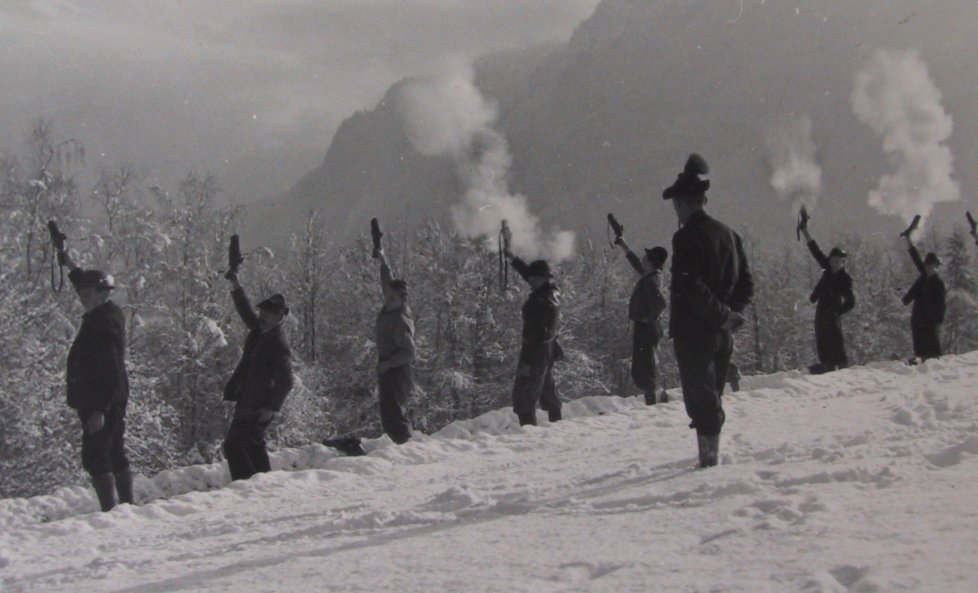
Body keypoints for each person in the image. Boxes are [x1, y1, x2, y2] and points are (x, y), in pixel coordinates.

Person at [662, 153, 753, 467]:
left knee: (701, 400)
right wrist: (732, 314)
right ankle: (710, 457)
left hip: (695, 331)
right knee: (712, 394)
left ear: (682, 203)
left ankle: (709, 463)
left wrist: (721, 315)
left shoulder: (685, 237)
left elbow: (690, 286)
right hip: (722, 334)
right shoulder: (729, 235)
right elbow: (746, 282)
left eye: (676, 204)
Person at [59, 250, 133, 512]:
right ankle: (126, 508)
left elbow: (111, 369)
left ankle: (112, 511)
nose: (82, 296)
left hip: (102, 399)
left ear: (102, 294)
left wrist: (100, 409)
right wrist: (70, 264)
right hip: (111, 396)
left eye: (87, 292)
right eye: (81, 292)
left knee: (96, 454)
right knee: (114, 450)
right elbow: (86, 283)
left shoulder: (103, 324)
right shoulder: (107, 313)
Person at [222, 272, 294, 481]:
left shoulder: (277, 343)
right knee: (253, 445)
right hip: (248, 400)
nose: (263, 316)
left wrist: (271, 407)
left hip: (258, 405)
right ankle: (264, 485)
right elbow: (245, 311)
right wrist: (235, 284)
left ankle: (246, 487)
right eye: (263, 312)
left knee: (233, 445)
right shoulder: (261, 331)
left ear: (280, 317)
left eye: (269, 314)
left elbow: (286, 381)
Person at [502, 233, 563, 426]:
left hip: (535, 350)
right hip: (548, 348)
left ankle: (529, 434)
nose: (531, 280)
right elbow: (528, 274)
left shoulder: (540, 300)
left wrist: (528, 360)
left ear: (543, 279)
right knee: (546, 389)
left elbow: (535, 334)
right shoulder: (551, 291)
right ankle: (557, 426)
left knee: (524, 395)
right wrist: (512, 257)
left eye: (535, 278)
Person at [614, 236, 668, 405]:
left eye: (647, 257)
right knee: (645, 363)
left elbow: (661, 303)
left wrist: (647, 319)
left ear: (651, 262)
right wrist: (624, 246)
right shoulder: (652, 275)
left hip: (646, 328)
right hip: (648, 327)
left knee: (644, 365)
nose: (643, 258)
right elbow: (637, 264)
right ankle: (652, 400)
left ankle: (651, 402)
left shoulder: (650, 280)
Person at [798, 220, 855, 374]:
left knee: (835, 338)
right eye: (833, 261)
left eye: (838, 262)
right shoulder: (827, 269)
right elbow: (815, 251)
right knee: (821, 337)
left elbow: (851, 302)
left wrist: (837, 312)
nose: (834, 264)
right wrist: (805, 232)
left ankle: (841, 364)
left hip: (833, 312)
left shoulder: (845, 279)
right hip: (821, 309)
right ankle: (826, 365)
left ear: (842, 263)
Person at [373, 246, 417, 444]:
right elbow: (387, 283)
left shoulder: (400, 320)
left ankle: (404, 445)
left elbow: (409, 352)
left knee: (394, 411)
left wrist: (388, 364)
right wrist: (383, 261)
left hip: (397, 370)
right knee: (388, 411)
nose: (388, 301)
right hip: (388, 366)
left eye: (392, 298)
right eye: (387, 297)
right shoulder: (392, 307)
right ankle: (399, 444)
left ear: (402, 299)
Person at [901, 233, 946, 363]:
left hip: (931, 319)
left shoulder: (938, 283)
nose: (928, 268)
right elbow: (916, 258)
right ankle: (921, 360)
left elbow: (941, 304)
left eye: (931, 266)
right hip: (918, 316)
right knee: (919, 342)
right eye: (927, 266)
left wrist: (939, 321)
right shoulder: (924, 276)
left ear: (936, 267)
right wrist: (909, 242)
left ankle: (932, 361)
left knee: (931, 344)